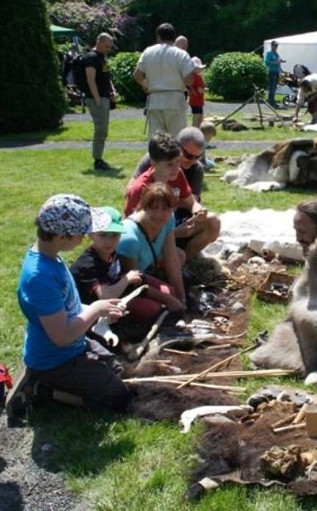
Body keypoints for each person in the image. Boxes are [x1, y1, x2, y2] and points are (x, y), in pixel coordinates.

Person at [13, 195, 130, 416]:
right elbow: (62, 337)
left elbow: (68, 308)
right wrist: (96, 309)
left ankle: (53, 385)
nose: (86, 236)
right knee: (119, 399)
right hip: (55, 360)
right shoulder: (40, 277)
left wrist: (99, 310)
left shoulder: (51, 257)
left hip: (72, 347)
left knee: (118, 370)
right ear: (62, 236)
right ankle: (42, 390)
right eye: (81, 232)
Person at [70, 206, 178, 333]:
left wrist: (170, 299)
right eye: (103, 235)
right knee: (153, 310)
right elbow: (105, 296)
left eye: (114, 235)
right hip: (93, 310)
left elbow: (129, 282)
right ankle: (127, 330)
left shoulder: (111, 252)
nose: (109, 241)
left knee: (169, 292)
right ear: (91, 234)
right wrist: (126, 280)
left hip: (118, 292)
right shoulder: (88, 264)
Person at [124, 135, 221, 260]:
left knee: (213, 222)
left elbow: (190, 201)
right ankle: (167, 267)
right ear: (153, 162)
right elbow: (137, 231)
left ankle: (186, 263)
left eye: (178, 162)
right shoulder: (140, 189)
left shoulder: (177, 174)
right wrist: (175, 233)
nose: (176, 168)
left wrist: (197, 210)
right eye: (170, 164)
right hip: (147, 240)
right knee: (178, 256)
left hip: (170, 226)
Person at [118, 183, 186, 313]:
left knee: (171, 292)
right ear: (144, 206)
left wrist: (182, 298)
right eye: (153, 208)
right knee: (154, 309)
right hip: (124, 285)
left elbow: (172, 260)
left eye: (165, 208)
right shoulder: (130, 238)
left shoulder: (168, 219)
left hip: (142, 275)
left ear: (172, 209)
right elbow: (134, 284)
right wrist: (169, 300)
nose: (159, 214)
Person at [134, 23, 196, 138]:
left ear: (158, 36)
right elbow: (189, 81)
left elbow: (137, 75)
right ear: (174, 37)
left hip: (155, 100)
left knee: (158, 142)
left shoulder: (148, 52)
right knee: (177, 140)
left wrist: (146, 84)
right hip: (175, 100)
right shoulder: (181, 54)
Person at [83, 33, 117, 171]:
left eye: (110, 47)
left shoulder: (103, 57)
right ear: (99, 42)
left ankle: (99, 158)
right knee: (100, 129)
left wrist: (112, 90)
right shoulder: (91, 58)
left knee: (103, 129)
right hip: (97, 99)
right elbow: (90, 79)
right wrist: (96, 98)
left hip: (105, 97)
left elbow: (107, 77)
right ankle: (97, 160)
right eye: (106, 46)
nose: (108, 49)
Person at [264, 40, 285, 107]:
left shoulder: (276, 53)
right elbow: (266, 62)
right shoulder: (269, 53)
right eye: (274, 45)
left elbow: (278, 62)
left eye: (277, 45)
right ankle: (270, 102)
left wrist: (281, 70)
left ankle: (273, 102)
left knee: (274, 88)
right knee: (272, 88)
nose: (276, 47)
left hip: (276, 72)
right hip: (271, 72)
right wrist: (275, 63)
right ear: (271, 45)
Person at [188, 56, 206, 128]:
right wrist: (205, 90)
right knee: (197, 119)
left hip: (193, 100)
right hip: (198, 101)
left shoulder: (190, 76)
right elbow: (200, 91)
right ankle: (195, 133)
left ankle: (197, 132)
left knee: (199, 118)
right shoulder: (198, 77)